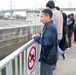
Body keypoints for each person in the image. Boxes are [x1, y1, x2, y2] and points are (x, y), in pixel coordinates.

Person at [32, 9, 57, 75]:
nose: (40, 19)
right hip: (46, 56)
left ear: (47, 17)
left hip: (48, 57)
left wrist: (35, 38)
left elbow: (46, 42)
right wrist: (40, 34)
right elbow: (46, 35)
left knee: (46, 73)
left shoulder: (50, 26)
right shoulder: (48, 25)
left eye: (42, 17)